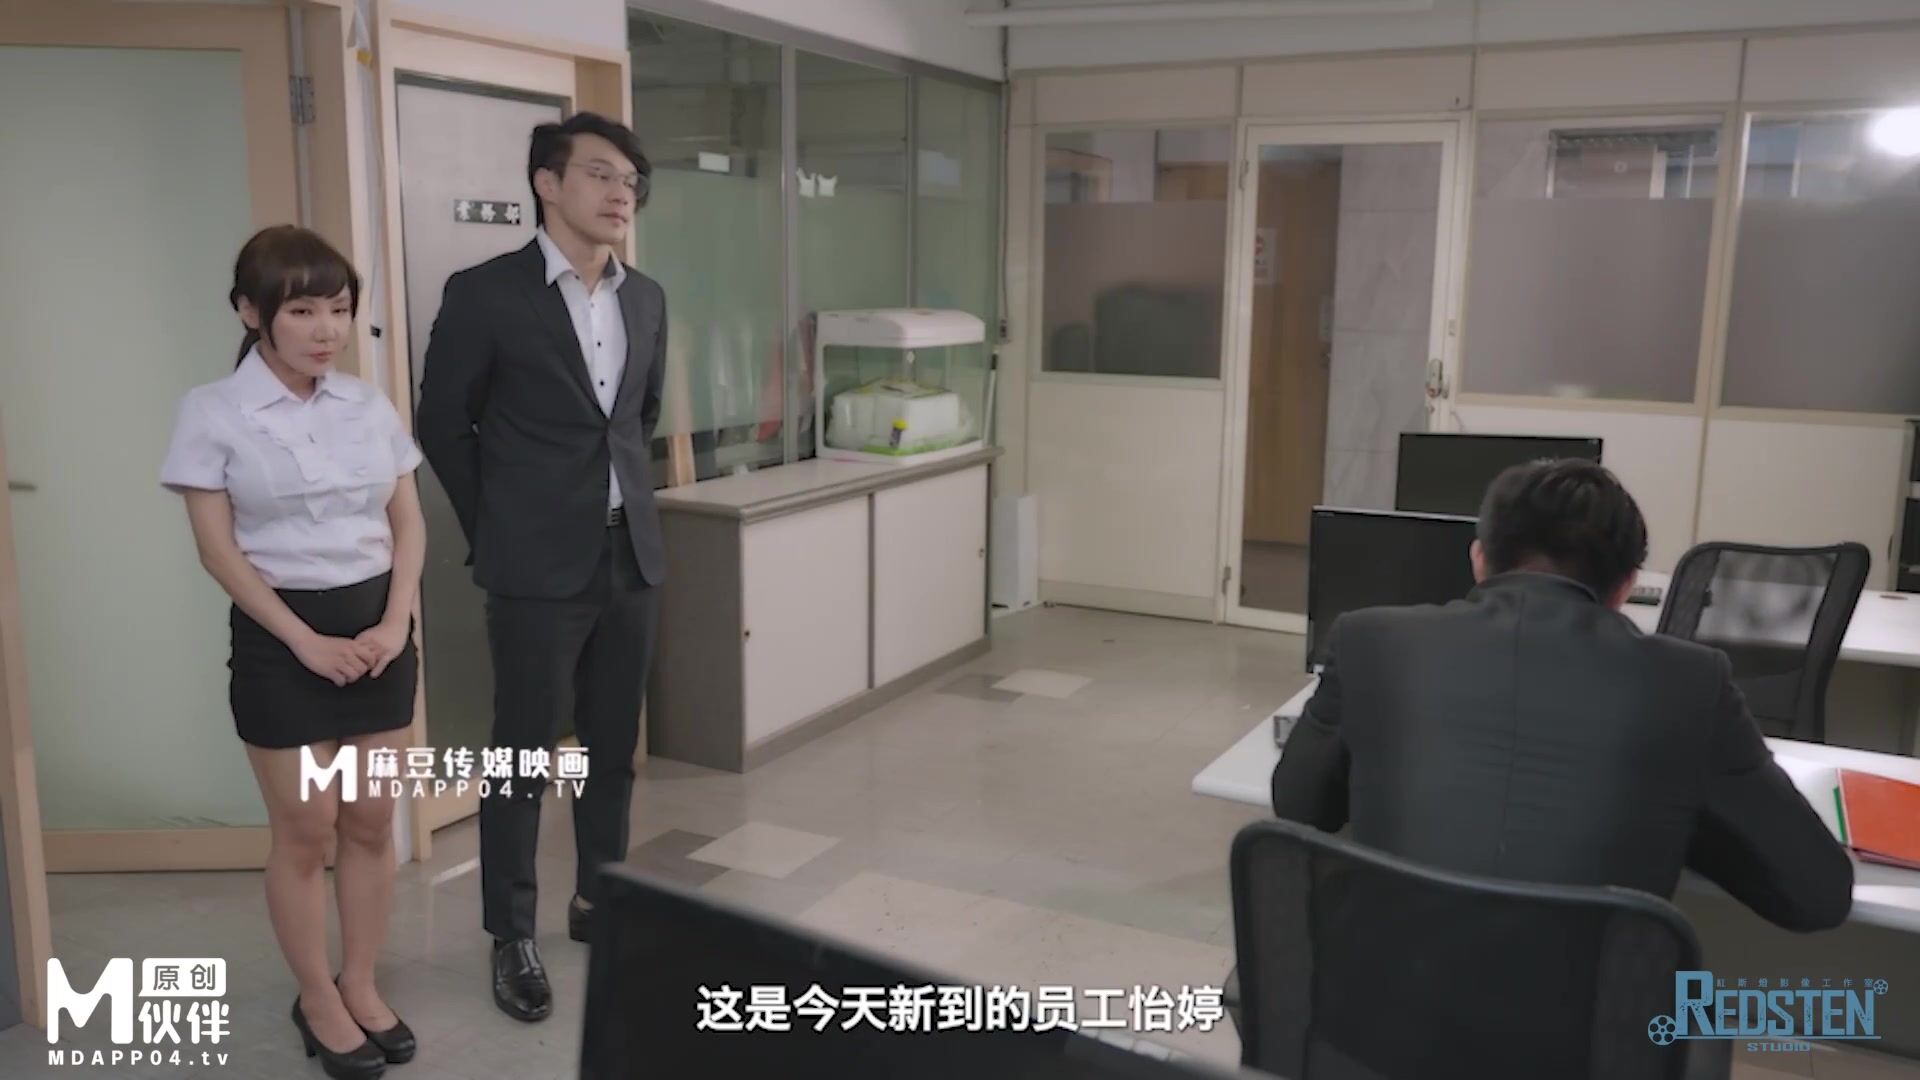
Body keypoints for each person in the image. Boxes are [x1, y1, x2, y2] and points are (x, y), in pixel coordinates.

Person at [1271, 458, 1855, 930]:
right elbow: (1815, 893)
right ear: (1626, 587)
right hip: (1587, 1031)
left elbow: (1299, 804)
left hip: (1373, 1018)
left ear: (1478, 560)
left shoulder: (1368, 639)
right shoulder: (1693, 681)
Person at [414, 112, 666, 1024]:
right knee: (522, 751)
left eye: (629, 182)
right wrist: (500, 524)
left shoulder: (646, 298)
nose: (619, 194)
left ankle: (600, 896)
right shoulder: (486, 293)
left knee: (611, 745)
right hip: (533, 562)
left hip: (628, 552)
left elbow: (637, 419)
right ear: (546, 184)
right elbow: (442, 422)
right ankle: (510, 933)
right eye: (600, 174)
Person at [161, 226, 425, 1079]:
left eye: (339, 310)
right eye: (303, 311)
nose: (326, 330)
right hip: (284, 642)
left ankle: (361, 981)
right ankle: (316, 997)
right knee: (307, 830)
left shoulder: (367, 404)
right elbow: (219, 552)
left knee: (372, 820)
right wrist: (305, 641)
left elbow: (407, 521)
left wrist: (395, 623)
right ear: (251, 311)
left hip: (380, 632)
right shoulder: (213, 411)